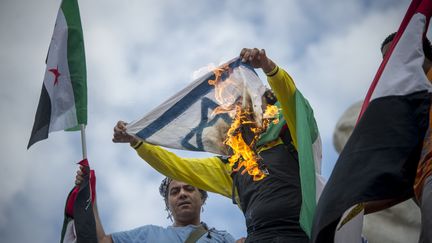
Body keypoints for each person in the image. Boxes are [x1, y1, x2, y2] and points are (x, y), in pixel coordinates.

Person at [113, 48, 322, 243]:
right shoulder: (234, 163)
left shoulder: (295, 136)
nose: (239, 113)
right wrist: (139, 143)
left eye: (247, 104)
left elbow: (291, 99)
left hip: (301, 235)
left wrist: (269, 68)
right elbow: (177, 167)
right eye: (235, 109)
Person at [363, 32, 432, 243]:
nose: (391, 63)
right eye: (386, 59)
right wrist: (345, 209)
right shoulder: (411, 112)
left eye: (396, 52)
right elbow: (401, 184)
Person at [74, 167, 236, 243]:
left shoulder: (222, 238)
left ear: (202, 197)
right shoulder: (148, 235)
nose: (182, 194)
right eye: (175, 191)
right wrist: (89, 196)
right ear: (168, 204)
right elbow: (101, 241)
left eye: (189, 189)